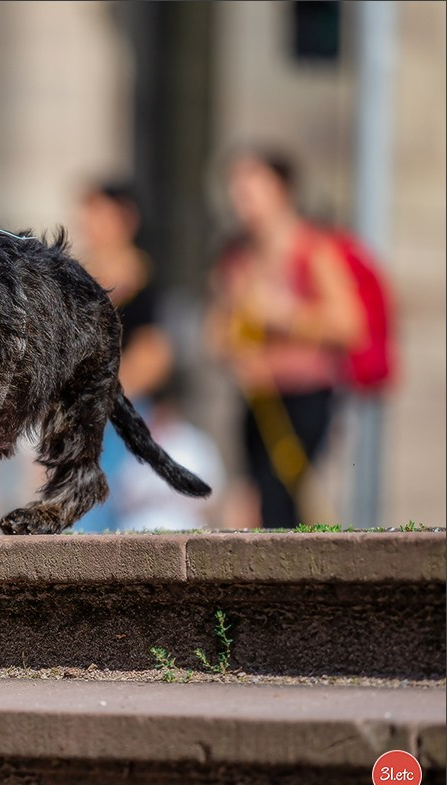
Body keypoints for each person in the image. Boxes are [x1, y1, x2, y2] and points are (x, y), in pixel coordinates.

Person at [207, 148, 367, 528]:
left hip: (305, 396)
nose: (239, 198)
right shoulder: (236, 256)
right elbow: (216, 329)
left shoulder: (314, 250)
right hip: (258, 397)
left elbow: (349, 324)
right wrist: (232, 342)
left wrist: (282, 315)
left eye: (250, 188)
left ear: (282, 190)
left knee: (283, 501)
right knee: (257, 500)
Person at [70, 181, 175, 531]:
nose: (89, 223)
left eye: (99, 213)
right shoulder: (79, 276)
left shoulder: (141, 281)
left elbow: (155, 353)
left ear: (125, 219)